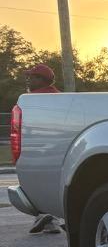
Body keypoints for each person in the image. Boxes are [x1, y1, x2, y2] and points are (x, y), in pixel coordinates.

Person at [23, 64, 63, 234]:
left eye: (32, 77)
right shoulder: (59, 96)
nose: (28, 80)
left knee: (37, 183)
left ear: (41, 79)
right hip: (61, 148)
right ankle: (51, 220)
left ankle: (45, 216)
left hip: (39, 147)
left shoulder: (32, 99)